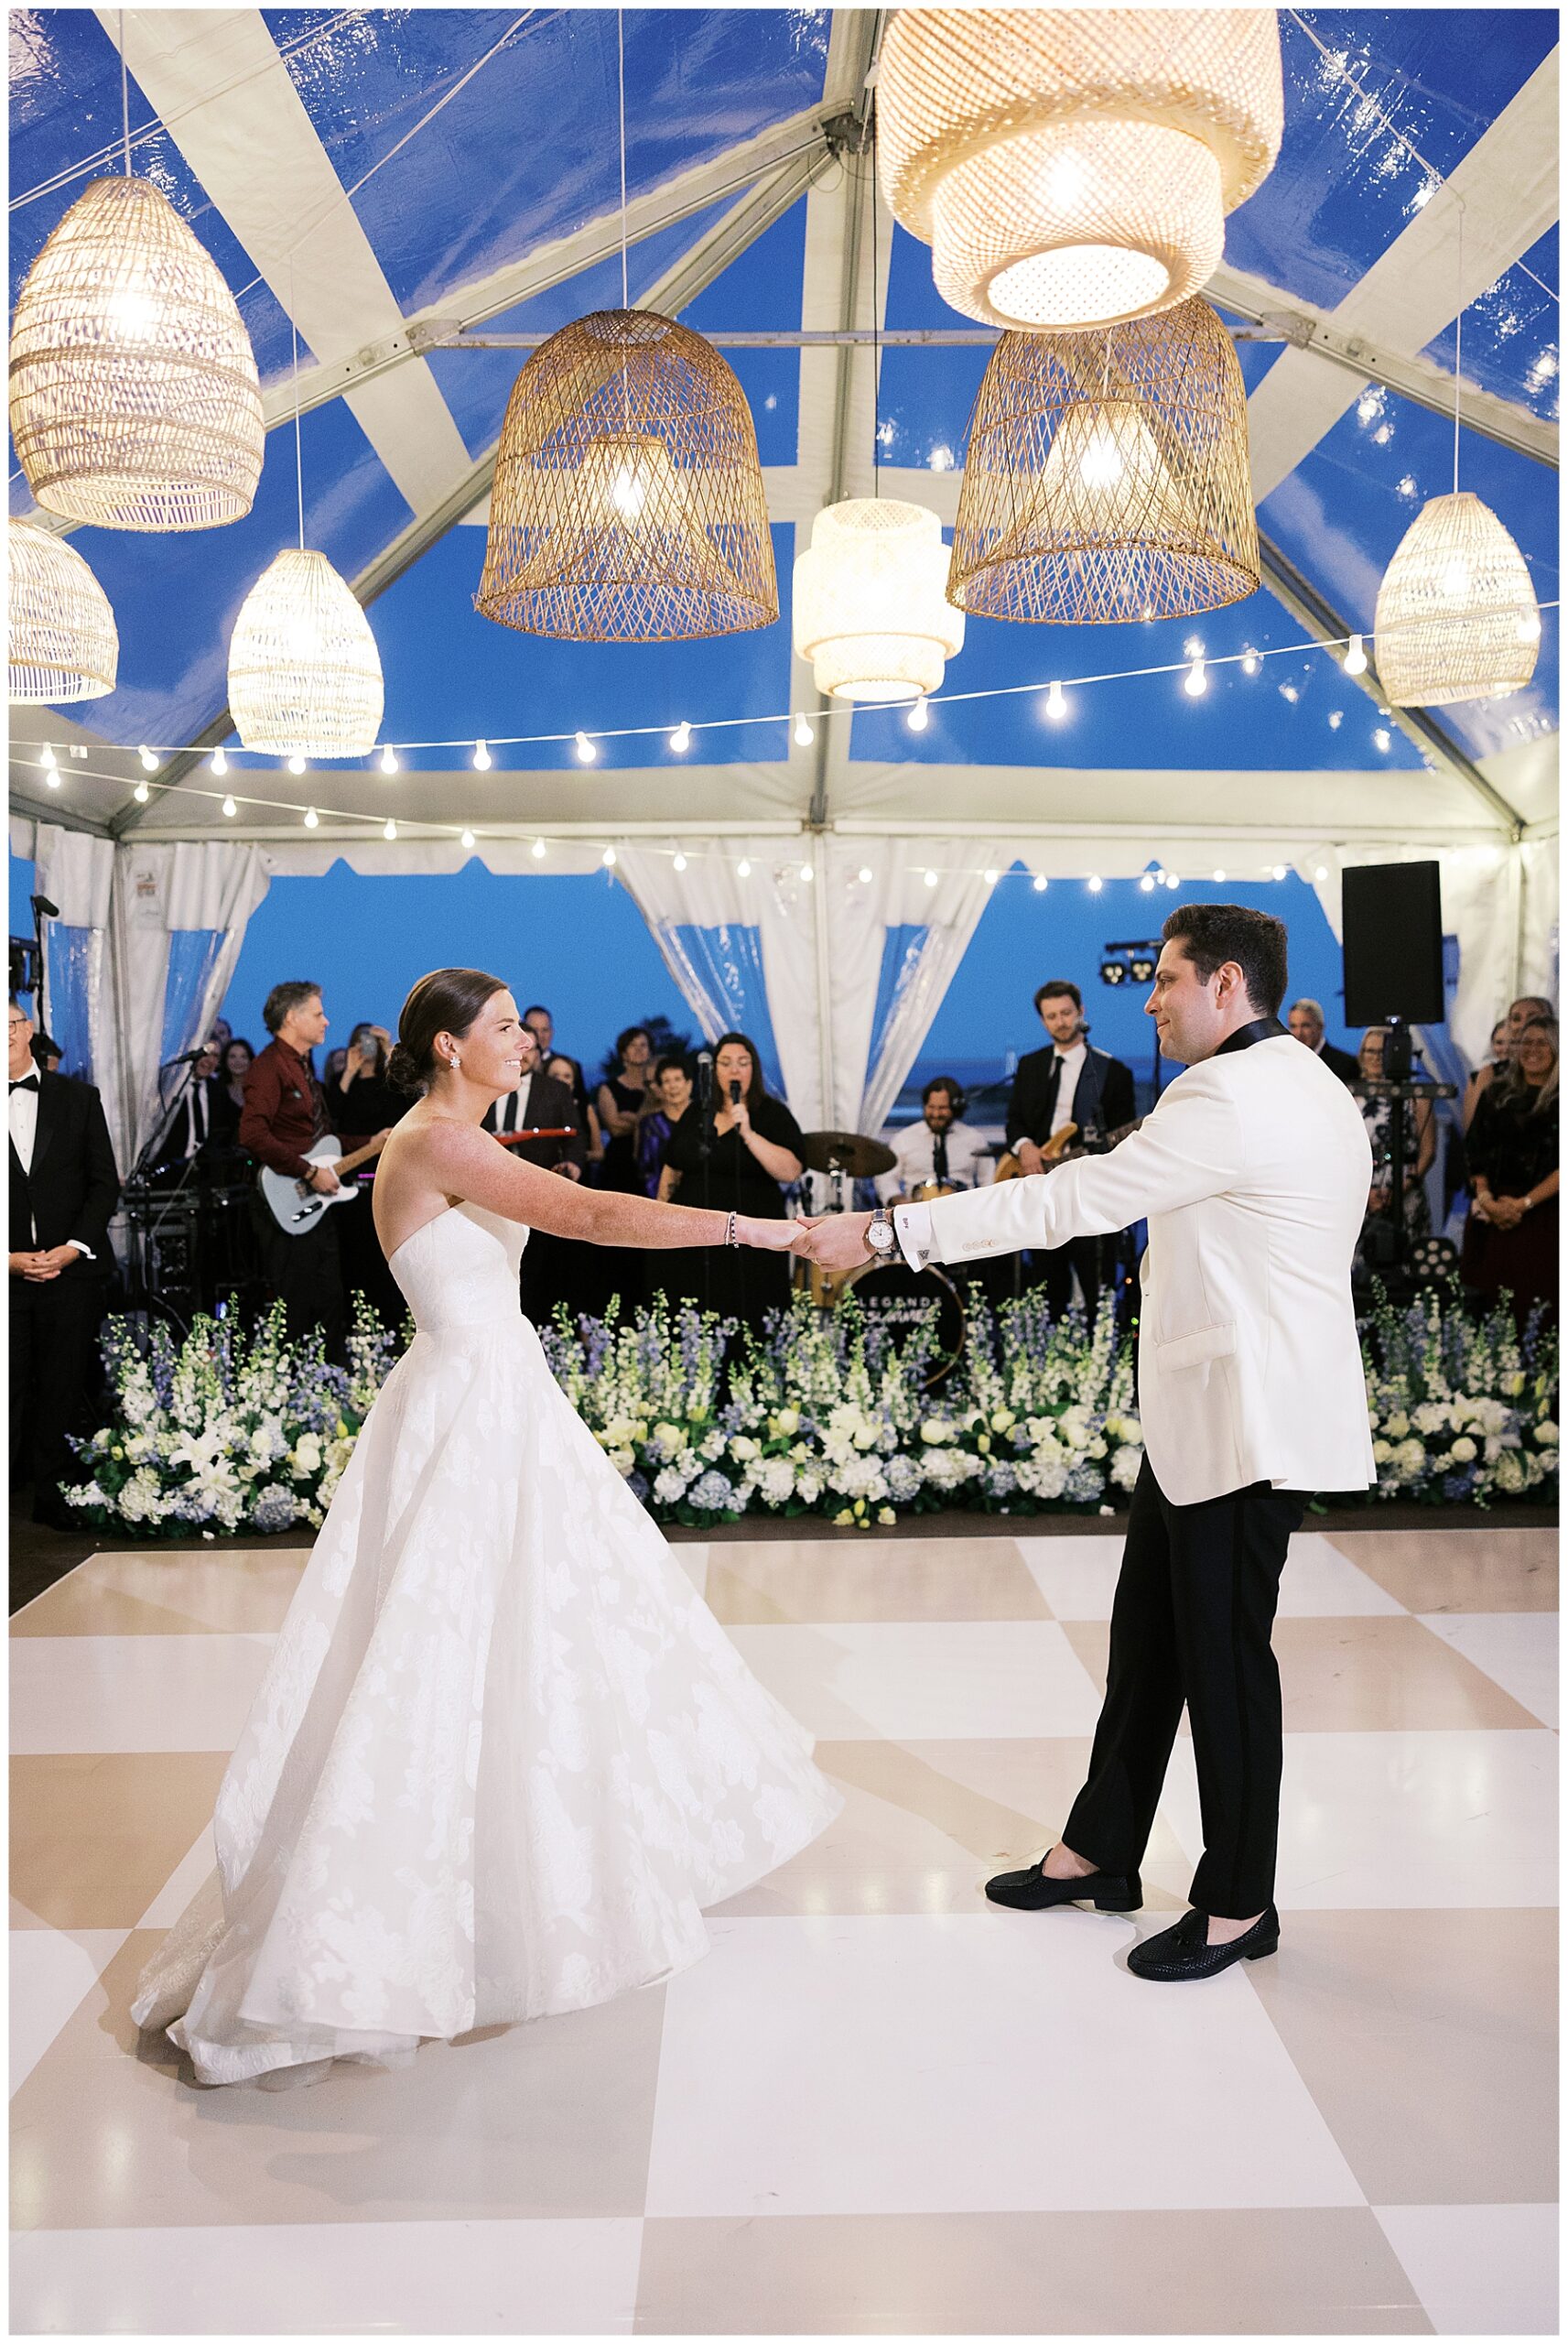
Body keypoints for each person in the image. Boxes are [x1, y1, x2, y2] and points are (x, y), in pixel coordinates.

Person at [129, 967, 838, 2087]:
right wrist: (768, 1232)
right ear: (451, 1048)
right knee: (451, 1654)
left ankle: (539, 1870)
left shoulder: (435, 1135)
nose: (524, 1040)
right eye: (504, 1027)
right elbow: (598, 1215)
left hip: (495, 1394)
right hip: (471, 1405)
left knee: (550, 1635)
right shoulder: (442, 1143)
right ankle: (427, 1919)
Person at [795, 905, 1375, 1983]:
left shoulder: (1230, 1092)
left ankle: (1241, 1904)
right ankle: (1100, 1850)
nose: (1148, 999)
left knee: (1226, 1669)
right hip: (1221, 1413)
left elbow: (1073, 1200)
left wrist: (889, 1233)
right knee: (1149, 1642)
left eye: (1166, 979)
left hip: (1246, 1423)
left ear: (1226, 984)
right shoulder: (1307, 1079)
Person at [8, 996, 119, 1531]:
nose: (4, 1034)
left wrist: (74, 1247)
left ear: (28, 1028)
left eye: (10, 1023)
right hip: (6, 1275)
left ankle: (55, 1497)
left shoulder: (78, 1098)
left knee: (61, 1384)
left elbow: (104, 1183)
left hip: (70, 1271)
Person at [1005, 980, 1136, 1321]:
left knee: (1099, 1290)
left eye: (1066, 1013)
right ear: (1043, 1021)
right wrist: (1026, 1147)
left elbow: (1124, 1141)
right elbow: (1014, 1122)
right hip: (1040, 1189)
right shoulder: (1030, 1066)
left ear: (1081, 1012)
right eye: (1051, 1016)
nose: (1060, 1022)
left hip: (1087, 1192)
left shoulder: (1113, 1072)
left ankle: (1102, 1364)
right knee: (1048, 1289)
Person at [658, 1032, 805, 1333]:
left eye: (742, 1062)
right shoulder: (697, 1112)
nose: (734, 1070)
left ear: (754, 1069)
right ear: (715, 1070)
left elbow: (790, 1170)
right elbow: (672, 1168)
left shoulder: (772, 1114)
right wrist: (660, 1216)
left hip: (751, 1243)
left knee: (750, 1316)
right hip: (694, 1237)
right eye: (725, 1063)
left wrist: (748, 1133)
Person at [238, 982, 348, 1362]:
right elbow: (251, 1133)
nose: (327, 1021)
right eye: (318, 1014)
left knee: (329, 1297)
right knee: (298, 1303)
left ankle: (330, 1379)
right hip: (286, 1203)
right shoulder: (269, 1067)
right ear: (291, 1017)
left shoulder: (303, 1067)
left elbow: (322, 1141)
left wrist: (375, 1139)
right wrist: (306, 1171)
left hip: (314, 1204)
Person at [481, 1021, 588, 1327]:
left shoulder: (555, 1090)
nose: (522, 1054)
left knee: (538, 1271)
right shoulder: (485, 1084)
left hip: (539, 1192)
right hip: (488, 1193)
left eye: (528, 1047)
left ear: (539, 1053)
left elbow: (575, 1136)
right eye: (515, 1046)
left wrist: (574, 1164)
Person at [1462, 1015, 1559, 1329]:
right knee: (1489, 1308)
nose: (1532, 1050)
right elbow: (1476, 1148)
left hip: (1546, 1219)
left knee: (1540, 1312)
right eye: (1525, 1042)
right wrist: (1487, 1198)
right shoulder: (1497, 1093)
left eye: (1541, 1042)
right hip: (1493, 1217)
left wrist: (1523, 1204)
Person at [330, 1024, 404, 1329]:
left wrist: (390, 1052)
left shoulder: (390, 1084)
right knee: (352, 1257)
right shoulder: (341, 1082)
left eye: (372, 1042)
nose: (367, 1047)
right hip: (350, 1181)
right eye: (362, 1042)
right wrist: (349, 1072)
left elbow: (407, 1105)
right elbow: (332, 1119)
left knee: (386, 1258)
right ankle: (352, 1324)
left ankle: (392, 1323)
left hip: (388, 1179)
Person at [1354, 1025, 1434, 1264]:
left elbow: (1428, 1151)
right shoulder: (1349, 1094)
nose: (1376, 1058)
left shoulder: (1417, 1095)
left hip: (1407, 1190)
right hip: (1362, 1194)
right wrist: (1366, 1193)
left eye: (1382, 1052)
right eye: (1370, 1051)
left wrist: (1402, 1188)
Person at [874, 1077, 991, 1202]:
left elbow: (989, 1181)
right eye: (931, 1107)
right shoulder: (903, 1138)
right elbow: (886, 1179)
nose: (936, 1114)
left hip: (964, 1211)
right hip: (916, 1213)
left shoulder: (975, 1139)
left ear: (955, 1109)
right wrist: (897, 1198)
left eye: (942, 1108)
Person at [1464, 995, 1554, 1134]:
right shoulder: (1491, 1074)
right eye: (1516, 1018)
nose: (1524, 1023)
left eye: (1532, 1016)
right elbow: (1473, 1132)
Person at [158, 1039, 222, 1165]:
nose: (209, 1060)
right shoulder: (170, 1086)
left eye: (215, 1056)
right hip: (168, 1167)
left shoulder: (218, 1091)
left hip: (203, 1170)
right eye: (205, 1053)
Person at [1286, 997, 1358, 1084]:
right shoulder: (1284, 1063)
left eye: (1305, 1026)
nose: (1298, 1033)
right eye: (1293, 1026)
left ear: (1320, 1027)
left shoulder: (1345, 1065)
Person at [1461, 1021, 1511, 1138]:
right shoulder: (1477, 1076)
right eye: (1499, 1043)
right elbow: (1469, 1122)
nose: (1505, 1048)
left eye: (1512, 1042)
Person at [212, 1037, 254, 1147]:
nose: (238, 1061)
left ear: (251, 1060)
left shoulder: (262, 1092)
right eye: (232, 1056)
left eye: (243, 1057)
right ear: (225, 1060)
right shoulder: (216, 1091)